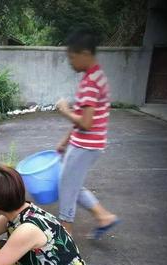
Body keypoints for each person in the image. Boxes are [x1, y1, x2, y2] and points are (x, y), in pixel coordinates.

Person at [55, 27, 120, 238]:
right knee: (72, 184)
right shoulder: (95, 76)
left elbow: (86, 123)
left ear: (85, 54)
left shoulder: (91, 82)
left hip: (85, 145)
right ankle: (104, 217)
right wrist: (65, 141)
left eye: (72, 57)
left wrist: (65, 110)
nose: (70, 62)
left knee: (66, 188)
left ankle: (66, 235)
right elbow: (84, 119)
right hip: (86, 144)